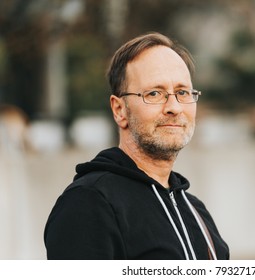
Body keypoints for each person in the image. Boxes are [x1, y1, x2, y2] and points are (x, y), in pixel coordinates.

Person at [44, 32, 229, 260]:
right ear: (119, 110)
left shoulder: (195, 211)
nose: (174, 107)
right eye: (154, 93)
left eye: (182, 92)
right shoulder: (89, 203)